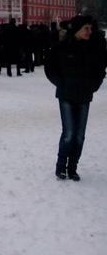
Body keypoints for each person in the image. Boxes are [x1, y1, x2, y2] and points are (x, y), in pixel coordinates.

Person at [45, 15, 106, 181]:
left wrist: (94, 86)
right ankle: (60, 167)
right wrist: (61, 83)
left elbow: (101, 69)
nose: (89, 31)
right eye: (86, 28)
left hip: (85, 95)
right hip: (66, 95)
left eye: (90, 28)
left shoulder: (93, 49)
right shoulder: (62, 47)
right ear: (77, 30)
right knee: (69, 133)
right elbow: (50, 68)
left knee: (79, 135)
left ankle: (72, 168)